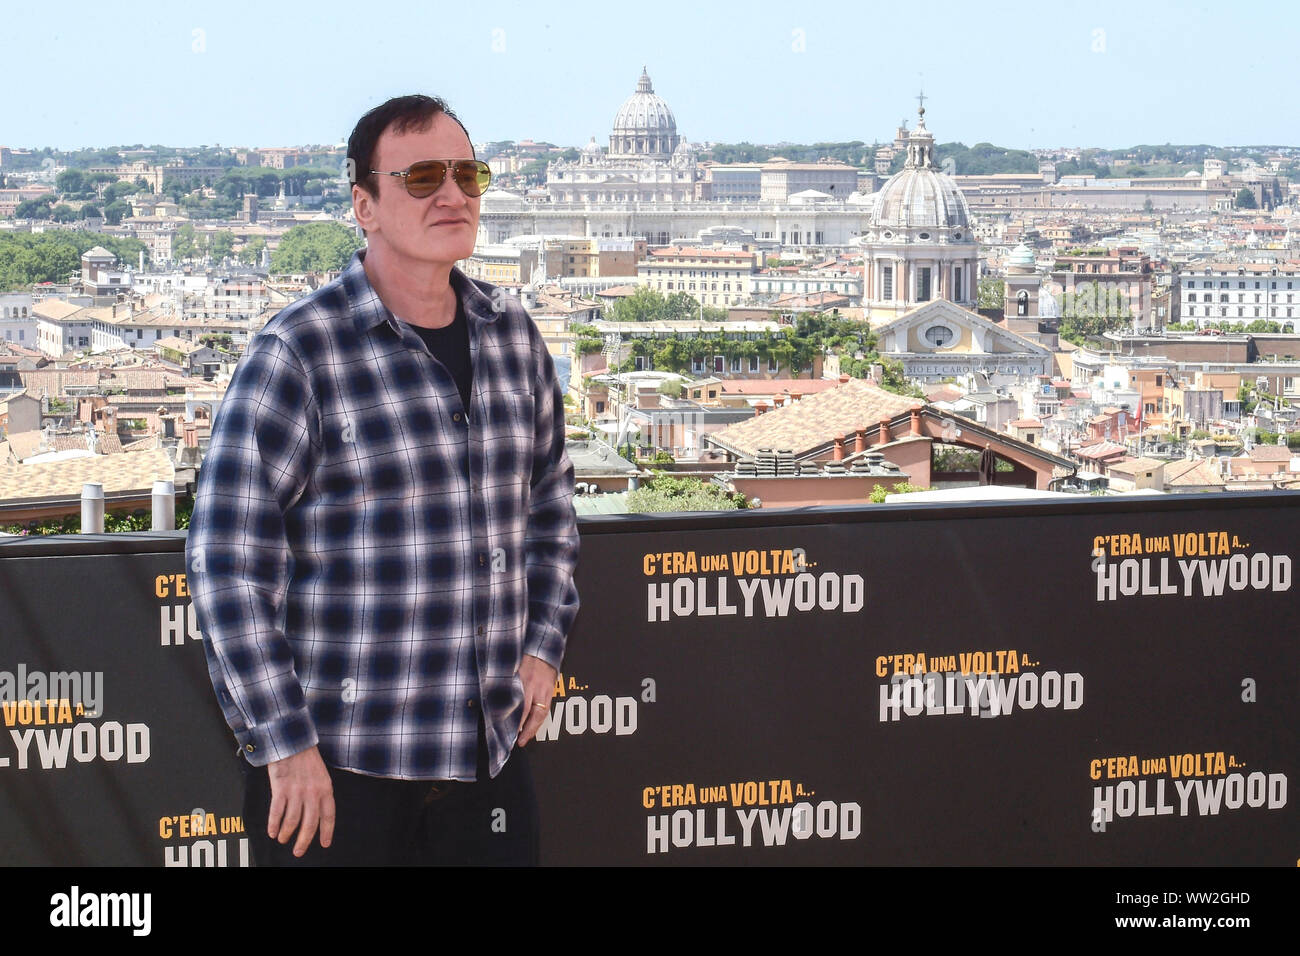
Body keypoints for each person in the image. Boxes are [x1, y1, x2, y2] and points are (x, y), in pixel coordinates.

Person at [185, 94, 580, 866]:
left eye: (469, 174)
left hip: (487, 766)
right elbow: (227, 563)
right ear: (363, 205)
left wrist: (543, 643)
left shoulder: (516, 339)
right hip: (338, 780)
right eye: (424, 176)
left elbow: (551, 509)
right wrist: (283, 743)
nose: (454, 195)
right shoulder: (298, 353)